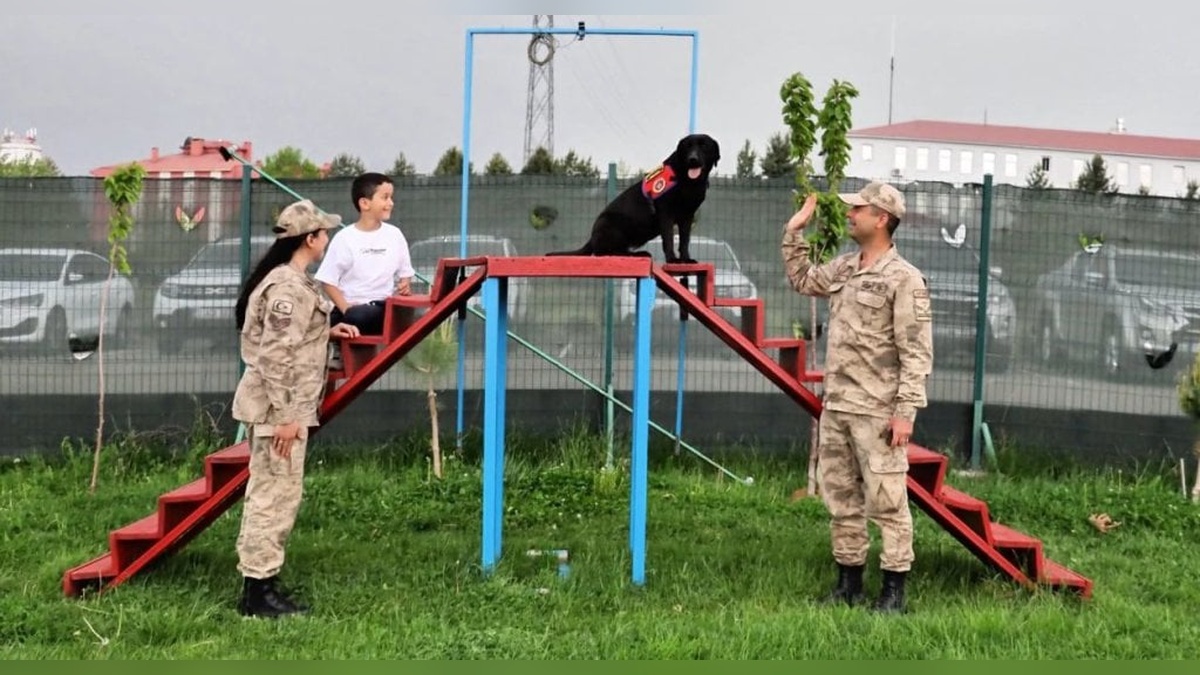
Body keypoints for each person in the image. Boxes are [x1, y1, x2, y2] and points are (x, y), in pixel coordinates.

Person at [781, 181, 933, 614]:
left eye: (858, 209)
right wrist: (795, 232)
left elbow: (917, 351)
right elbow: (802, 279)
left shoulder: (904, 279)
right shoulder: (846, 268)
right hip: (839, 407)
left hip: (878, 412)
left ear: (882, 218)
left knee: (888, 503)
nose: (850, 214)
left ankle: (893, 593)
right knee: (842, 500)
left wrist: (905, 412)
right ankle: (848, 584)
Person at [231, 198, 361, 618]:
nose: (327, 239)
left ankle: (263, 584)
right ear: (310, 239)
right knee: (272, 498)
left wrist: (325, 331)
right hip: (278, 414)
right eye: (324, 233)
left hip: (282, 411)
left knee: (278, 495)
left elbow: (294, 340)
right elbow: (274, 355)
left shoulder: (293, 281)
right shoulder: (288, 287)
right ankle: (257, 594)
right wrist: (287, 417)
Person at [314, 171, 414, 339]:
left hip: (382, 307)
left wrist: (405, 284)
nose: (390, 203)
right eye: (385, 197)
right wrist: (346, 308)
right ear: (365, 203)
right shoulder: (344, 238)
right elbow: (327, 281)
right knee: (341, 319)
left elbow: (406, 274)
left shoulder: (395, 235)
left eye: (391, 198)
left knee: (370, 316)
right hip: (350, 309)